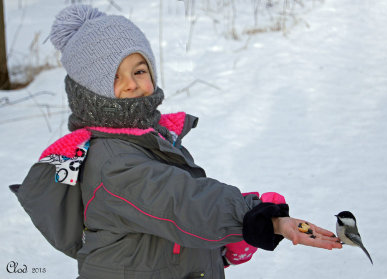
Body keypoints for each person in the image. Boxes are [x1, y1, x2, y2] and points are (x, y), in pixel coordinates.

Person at [45, 4, 341, 278]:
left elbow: (168, 226)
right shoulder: (110, 160)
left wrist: (222, 247)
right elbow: (179, 201)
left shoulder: (152, 138)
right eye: (114, 77)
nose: (132, 84)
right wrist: (254, 217)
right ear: (88, 92)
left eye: (139, 70)